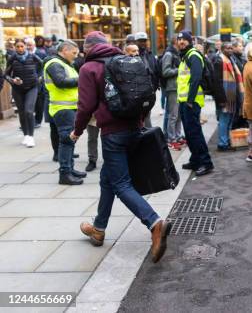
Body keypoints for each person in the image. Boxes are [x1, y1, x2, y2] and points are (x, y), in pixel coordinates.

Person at [72, 31, 170, 262]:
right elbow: (146, 93)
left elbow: (85, 106)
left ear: (88, 48)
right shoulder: (124, 60)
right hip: (134, 128)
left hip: (113, 133)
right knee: (108, 178)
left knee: (121, 184)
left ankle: (155, 223)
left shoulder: (89, 68)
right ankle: (98, 228)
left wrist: (77, 130)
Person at [43, 40, 87, 185]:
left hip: (69, 107)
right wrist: (83, 78)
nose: (75, 56)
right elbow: (61, 82)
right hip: (62, 108)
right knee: (67, 140)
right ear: (65, 50)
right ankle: (65, 174)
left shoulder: (65, 63)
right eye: (74, 53)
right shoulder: (55, 64)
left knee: (70, 140)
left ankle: (70, 169)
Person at [176, 30, 214, 176]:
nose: (181, 42)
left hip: (191, 102)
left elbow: (196, 78)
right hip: (184, 101)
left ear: (189, 41)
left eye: (183, 40)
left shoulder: (193, 55)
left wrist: (190, 101)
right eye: (179, 40)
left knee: (195, 133)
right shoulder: (185, 56)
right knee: (190, 133)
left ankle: (206, 163)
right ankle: (195, 160)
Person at [5, 39, 42, 147]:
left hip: (32, 87)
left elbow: (43, 66)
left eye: (22, 46)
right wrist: (13, 80)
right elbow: (6, 74)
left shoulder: (33, 56)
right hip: (18, 89)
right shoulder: (12, 58)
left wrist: (40, 78)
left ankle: (31, 137)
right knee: (21, 112)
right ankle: (26, 135)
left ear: (26, 46)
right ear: (15, 47)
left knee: (28, 111)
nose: (20, 48)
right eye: (18, 47)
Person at [212, 41, 243, 151]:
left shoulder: (231, 60)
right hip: (224, 97)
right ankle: (222, 144)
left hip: (231, 96)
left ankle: (227, 141)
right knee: (224, 120)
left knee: (229, 120)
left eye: (231, 48)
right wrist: (221, 99)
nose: (230, 50)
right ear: (222, 49)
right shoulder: (219, 60)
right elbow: (217, 82)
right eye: (228, 48)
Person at [161, 37, 183, 150]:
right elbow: (165, 71)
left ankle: (178, 137)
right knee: (173, 115)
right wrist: (180, 70)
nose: (182, 42)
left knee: (178, 115)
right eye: (180, 40)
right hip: (172, 88)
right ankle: (171, 139)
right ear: (176, 42)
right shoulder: (169, 54)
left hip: (178, 87)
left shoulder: (176, 53)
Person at [133, 32, 159, 128]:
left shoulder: (150, 54)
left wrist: (156, 85)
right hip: (137, 91)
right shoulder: (132, 55)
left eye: (144, 41)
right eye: (140, 41)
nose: (143, 43)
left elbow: (155, 70)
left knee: (147, 114)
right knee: (139, 116)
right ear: (136, 42)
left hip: (149, 90)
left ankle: (148, 136)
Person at [26, 38, 45, 128]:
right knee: (29, 102)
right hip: (27, 80)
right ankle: (29, 122)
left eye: (30, 45)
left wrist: (41, 77)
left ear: (34, 45)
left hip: (38, 80)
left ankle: (38, 121)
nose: (28, 47)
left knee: (38, 102)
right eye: (27, 45)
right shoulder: (24, 54)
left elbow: (43, 65)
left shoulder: (41, 53)